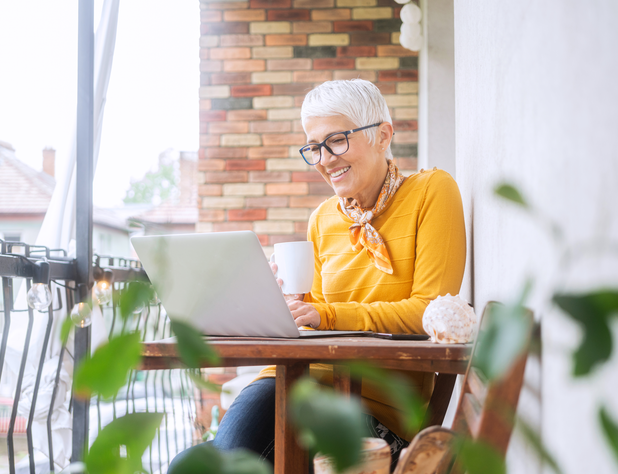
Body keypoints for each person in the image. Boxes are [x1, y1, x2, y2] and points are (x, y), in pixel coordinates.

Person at [168, 79, 466, 471]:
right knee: (190, 463)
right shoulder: (323, 218)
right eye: (313, 147)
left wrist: (324, 315)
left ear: (383, 135)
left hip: (373, 417)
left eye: (336, 140)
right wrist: (286, 307)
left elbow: (429, 313)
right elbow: (318, 318)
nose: (324, 159)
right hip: (292, 383)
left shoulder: (432, 191)